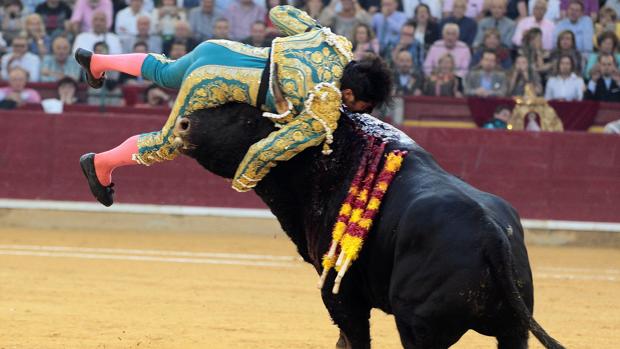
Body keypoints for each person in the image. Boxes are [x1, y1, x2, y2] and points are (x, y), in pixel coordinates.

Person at [75, 5, 393, 206]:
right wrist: (242, 180)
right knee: (167, 143)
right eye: (362, 107)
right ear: (350, 96)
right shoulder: (323, 108)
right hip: (212, 80)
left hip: (217, 49)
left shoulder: (334, 46)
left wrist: (316, 31)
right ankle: (101, 163)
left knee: (165, 71)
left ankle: (98, 62)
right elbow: (266, 150)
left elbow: (279, 13)